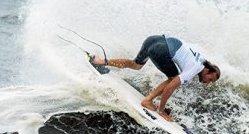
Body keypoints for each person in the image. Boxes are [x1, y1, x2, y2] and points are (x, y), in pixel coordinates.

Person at [91, 34, 220, 122]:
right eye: (210, 79)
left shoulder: (201, 57)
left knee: (135, 65)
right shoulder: (195, 68)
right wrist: (162, 111)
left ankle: (101, 61)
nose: (207, 83)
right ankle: (148, 100)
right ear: (208, 70)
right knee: (172, 79)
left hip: (153, 40)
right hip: (161, 50)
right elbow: (170, 88)